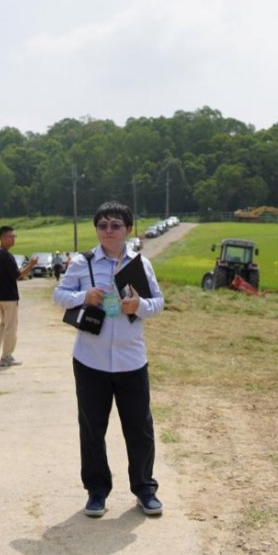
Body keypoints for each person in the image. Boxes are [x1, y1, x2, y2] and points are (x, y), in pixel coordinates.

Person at [53, 201, 165, 518]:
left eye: (115, 225)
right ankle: (97, 491)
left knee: (140, 429)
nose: (108, 230)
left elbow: (158, 303)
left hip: (132, 361)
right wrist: (82, 297)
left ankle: (145, 489)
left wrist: (138, 306)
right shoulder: (82, 262)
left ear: (128, 229)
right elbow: (58, 295)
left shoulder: (140, 264)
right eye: (102, 225)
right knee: (92, 430)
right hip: (90, 361)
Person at [0, 227, 37, 367]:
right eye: (11, 236)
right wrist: (31, 265)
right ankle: (6, 357)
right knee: (11, 327)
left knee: (3, 323)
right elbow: (18, 275)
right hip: (9, 297)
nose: (13, 238)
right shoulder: (7, 256)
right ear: (2, 238)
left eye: (14, 236)